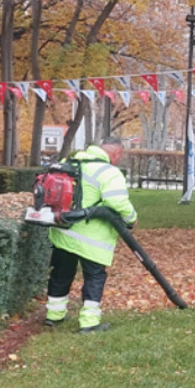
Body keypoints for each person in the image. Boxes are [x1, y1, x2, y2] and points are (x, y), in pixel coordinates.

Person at [44, 136, 138, 334]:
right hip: (91, 237)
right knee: (94, 276)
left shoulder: (68, 163)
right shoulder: (108, 172)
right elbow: (117, 202)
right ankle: (89, 322)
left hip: (63, 230)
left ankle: (54, 315)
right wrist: (132, 219)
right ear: (116, 153)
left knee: (61, 273)